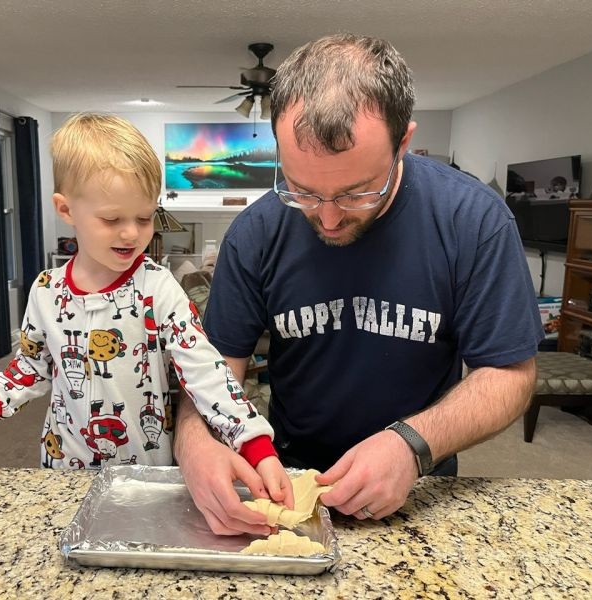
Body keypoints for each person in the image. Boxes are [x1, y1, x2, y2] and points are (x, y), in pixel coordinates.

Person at [174, 33, 543, 536]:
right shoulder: (255, 233)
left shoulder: (474, 221)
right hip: (283, 478)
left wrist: (411, 445)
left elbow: (509, 375)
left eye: (356, 192)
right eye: (301, 190)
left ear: (403, 142)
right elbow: (210, 376)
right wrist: (195, 445)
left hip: (420, 483)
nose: (326, 218)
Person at [0, 113, 292, 509]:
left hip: (145, 475)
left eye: (145, 218)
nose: (131, 233)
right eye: (112, 219)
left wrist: (255, 444)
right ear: (65, 209)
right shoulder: (45, 292)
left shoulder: (158, 288)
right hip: (64, 472)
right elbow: (31, 365)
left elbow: (206, 371)